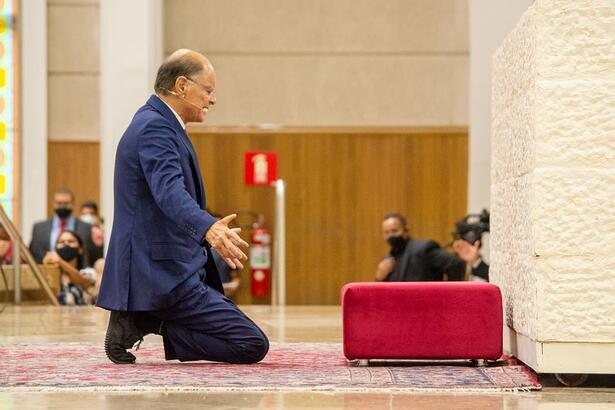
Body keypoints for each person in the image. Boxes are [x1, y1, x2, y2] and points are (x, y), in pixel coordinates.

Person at [97, 49, 269, 365]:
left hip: (173, 267)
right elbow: (170, 193)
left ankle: (143, 319)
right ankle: (147, 320)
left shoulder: (159, 123)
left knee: (244, 338)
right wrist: (208, 228)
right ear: (181, 86)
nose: (212, 100)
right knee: (251, 344)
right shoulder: (155, 127)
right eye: (208, 90)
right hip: (162, 272)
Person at [375, 213, 465, 282]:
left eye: (394, 231)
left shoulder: (424, 249)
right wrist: (379, 278)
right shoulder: (387, 260)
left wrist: (448, 296)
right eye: (386, 232)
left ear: (405, 231)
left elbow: (454, 263)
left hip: (427, 305)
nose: (390, 235)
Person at [30, 188, 97, 266]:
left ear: (73, 204)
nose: (62, 206)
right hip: (47, 273)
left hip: (78, 274)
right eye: (59, 203)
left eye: (66, 203)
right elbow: (34, 253)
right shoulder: (39, 228)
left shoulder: (86, 228)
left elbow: (92, 255)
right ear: (53, 204)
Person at [42, 230, 102, 305]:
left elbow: (83, 281)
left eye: (71, 241)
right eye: (61, 242)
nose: (66, 244)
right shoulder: (53, 274)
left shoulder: (89, 272)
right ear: (56, 248)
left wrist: (60, 262)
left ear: (80, 249)